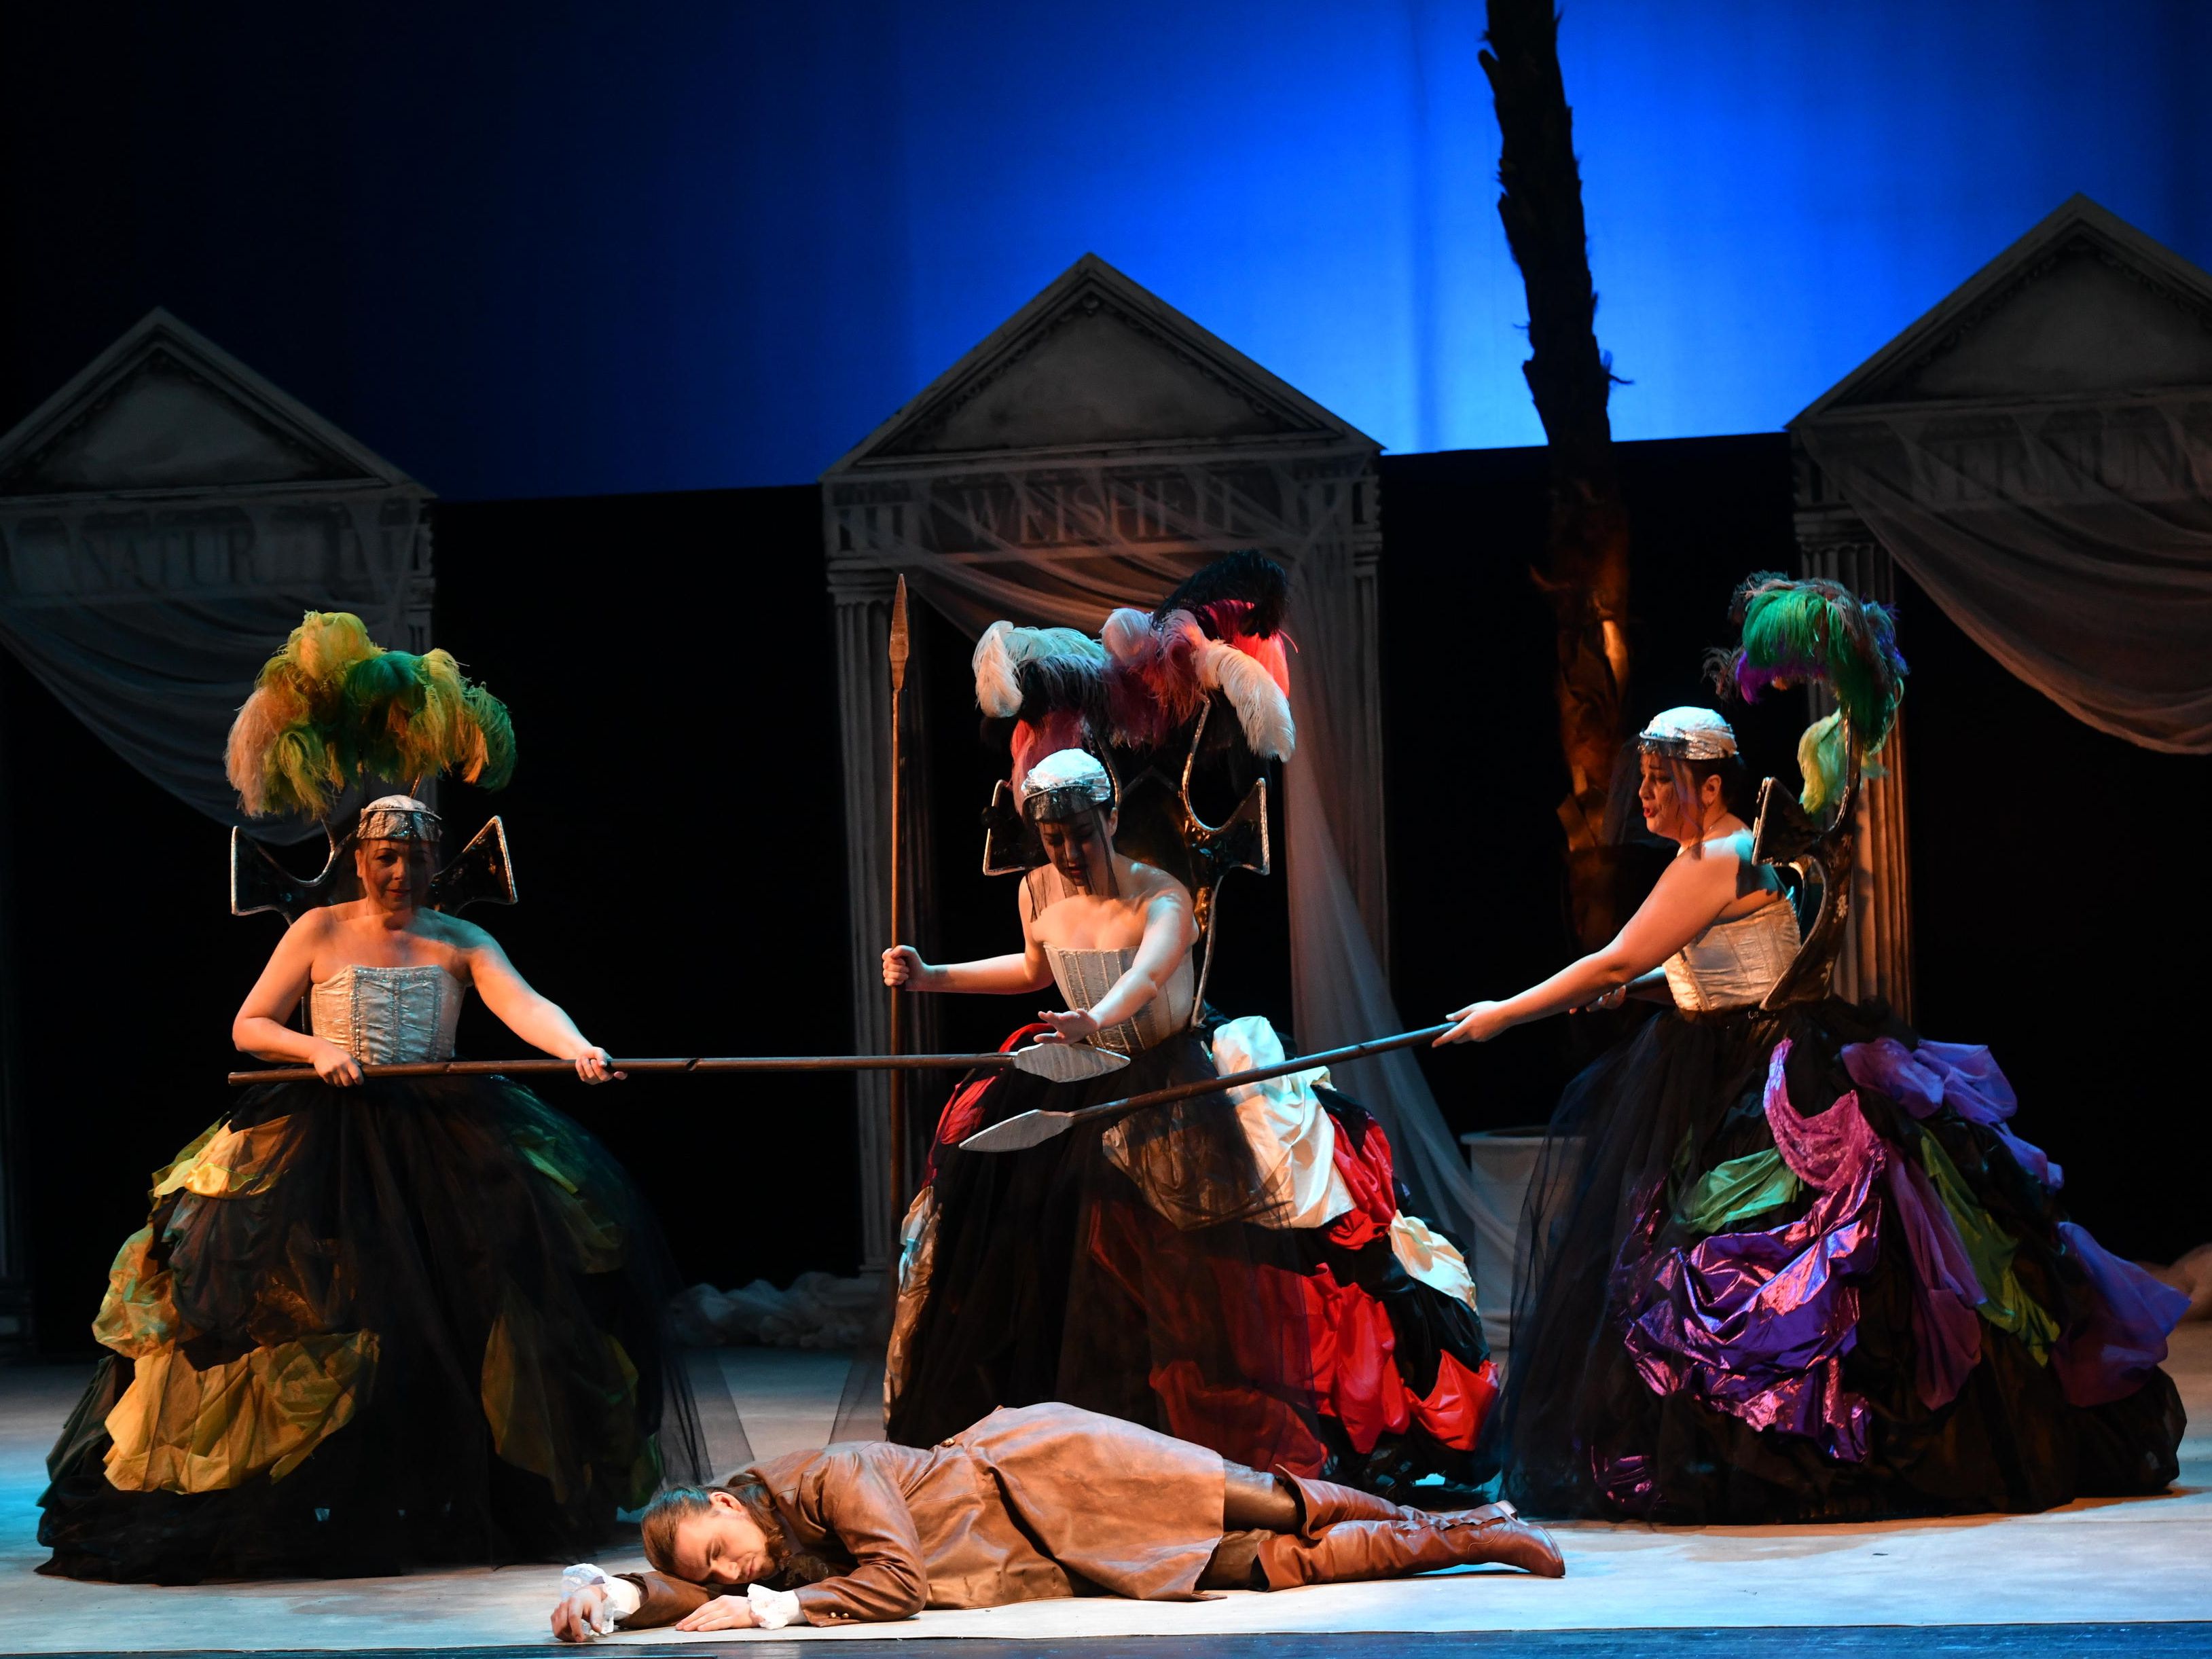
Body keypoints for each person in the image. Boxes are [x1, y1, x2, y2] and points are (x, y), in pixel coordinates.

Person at [1440, 575, 2189, 1523]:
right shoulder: (1731, 853)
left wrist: (1504, 1012)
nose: (1646, 795)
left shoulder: (1715, 859)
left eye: (1660, 779)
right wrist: (1652, 984)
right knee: (1707, 1249)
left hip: (1752, 1076)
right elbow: (1707, 966)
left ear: (1710, 785)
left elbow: (1616, 956)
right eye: (1644, 778)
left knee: (1738, 1255)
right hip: (1740, 1052)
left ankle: (1789, 1439)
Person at [39, 614, 701, 1582]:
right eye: (384, 857)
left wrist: (578, 1048)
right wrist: (316, 1049)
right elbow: (249, 1025)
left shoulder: (460, 940)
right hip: (329, 1136)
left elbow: (526, 1005)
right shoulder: (316, 931)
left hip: (444, 1135)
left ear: (435, 861)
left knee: (471, 1303)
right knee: (325, 1314)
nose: (399, 871)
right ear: (358, 858)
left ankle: (447, 1486)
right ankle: (335, 1485)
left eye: (415, 857)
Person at [881, 553, 1496, 1500]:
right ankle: (1042, 1433)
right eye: (1051, 838)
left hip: (1164, 1072)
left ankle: (1184, 1427)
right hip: (1070, 1065)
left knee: (1168, 1241)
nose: (1066, 853)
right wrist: (933, 976)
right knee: (1017, 1207)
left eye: (1079, 834)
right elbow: (1033, 967)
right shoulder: (1040, 888)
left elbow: (1148, 973)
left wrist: (1096, 1016)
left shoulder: (1160, 892)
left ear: (1107, 816)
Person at [547, 1401, 1563, 1639]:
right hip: (1057, 1550)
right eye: (716, 1576)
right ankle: (1475, 1542)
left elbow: (897, 1584)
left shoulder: (833, 1477)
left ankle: (1464, 1523)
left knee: (1270, 1498)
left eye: (721, 1554)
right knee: (1263, 1565)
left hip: (1060, 1471)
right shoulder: (769, 1543)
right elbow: (695, 1582)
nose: (731, 1576)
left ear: (731, 1503)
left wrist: (767, 1613)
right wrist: (618, 1599)